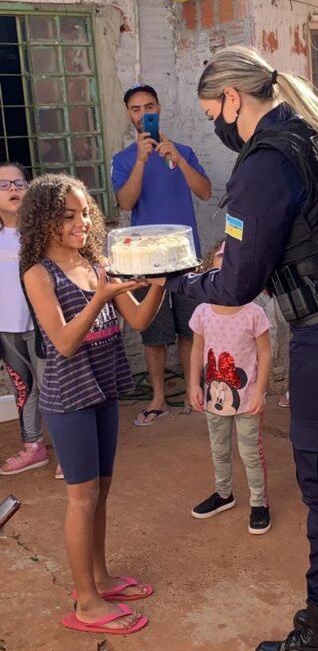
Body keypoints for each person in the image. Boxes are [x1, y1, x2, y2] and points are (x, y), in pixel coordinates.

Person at [163, 45, 318, 651]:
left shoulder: (267, 160)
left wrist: (180, 284)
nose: (215, 125)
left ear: (232, 99)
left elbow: (238, 282)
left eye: (211, 112)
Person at [21, 173, 165, 636]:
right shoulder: (39, 274)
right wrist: (100, 296)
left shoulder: (96, 262)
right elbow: (63, 343)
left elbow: (138, 319)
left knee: (101, 489)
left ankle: (100, 579)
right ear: (44, 221)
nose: (80, 223)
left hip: (103, 387)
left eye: (85, 213)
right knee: (81, 498)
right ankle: (86, 602)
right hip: (69, 395)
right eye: (68, 216)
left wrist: (159, 282)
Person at [111, 83, 212, 427]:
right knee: (153, 332)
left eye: (149, 107)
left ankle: (192, 391)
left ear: (159, 109)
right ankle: (158, 397)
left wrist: (179, 160)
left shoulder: (182, 151)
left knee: (190, 328)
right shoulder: (124, 159)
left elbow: (205, 191)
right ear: (129, 115)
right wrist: (142, 161)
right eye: (136, 109)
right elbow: (126, 202)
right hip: (145, 261)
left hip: (185, 257)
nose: (143, 114)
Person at [189, 240, 272, 534]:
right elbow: (197, 349)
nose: (225, 263)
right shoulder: (202, 312)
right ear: (209, 268)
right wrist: (193, 384)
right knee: (219, 449)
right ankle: (223, 494)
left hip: (248, 400)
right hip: (214, 398)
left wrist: (260, 391)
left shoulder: (254, 313)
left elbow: (265, 353)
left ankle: (259, 503)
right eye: (221, 257)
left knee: (250, 453)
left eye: (233, 259)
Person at [0, 163, 61, 478]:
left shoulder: (43, 234)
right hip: (7, 330)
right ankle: (33, 446)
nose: (12, 189)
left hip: (44, 328)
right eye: (3, 185)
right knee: (23, 388)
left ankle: (68, 449)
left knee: (54, 387)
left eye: (19, 183)